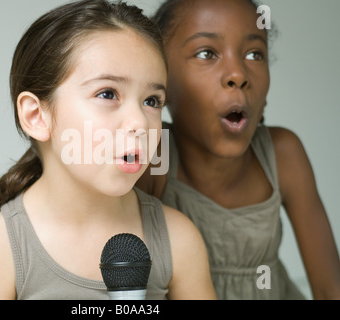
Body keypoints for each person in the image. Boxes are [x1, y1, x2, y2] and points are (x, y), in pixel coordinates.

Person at [0, 0, 216, 300]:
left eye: (152, 101)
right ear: (36, 117)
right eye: (107, 93)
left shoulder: (179, 240)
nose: (139, 122)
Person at [137, 0, 340, 299]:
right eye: (207, 53)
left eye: (254, 54)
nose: (238, 73)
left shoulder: (283, 154)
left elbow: (329, 288)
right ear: (161, 80)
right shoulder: (154, 155)